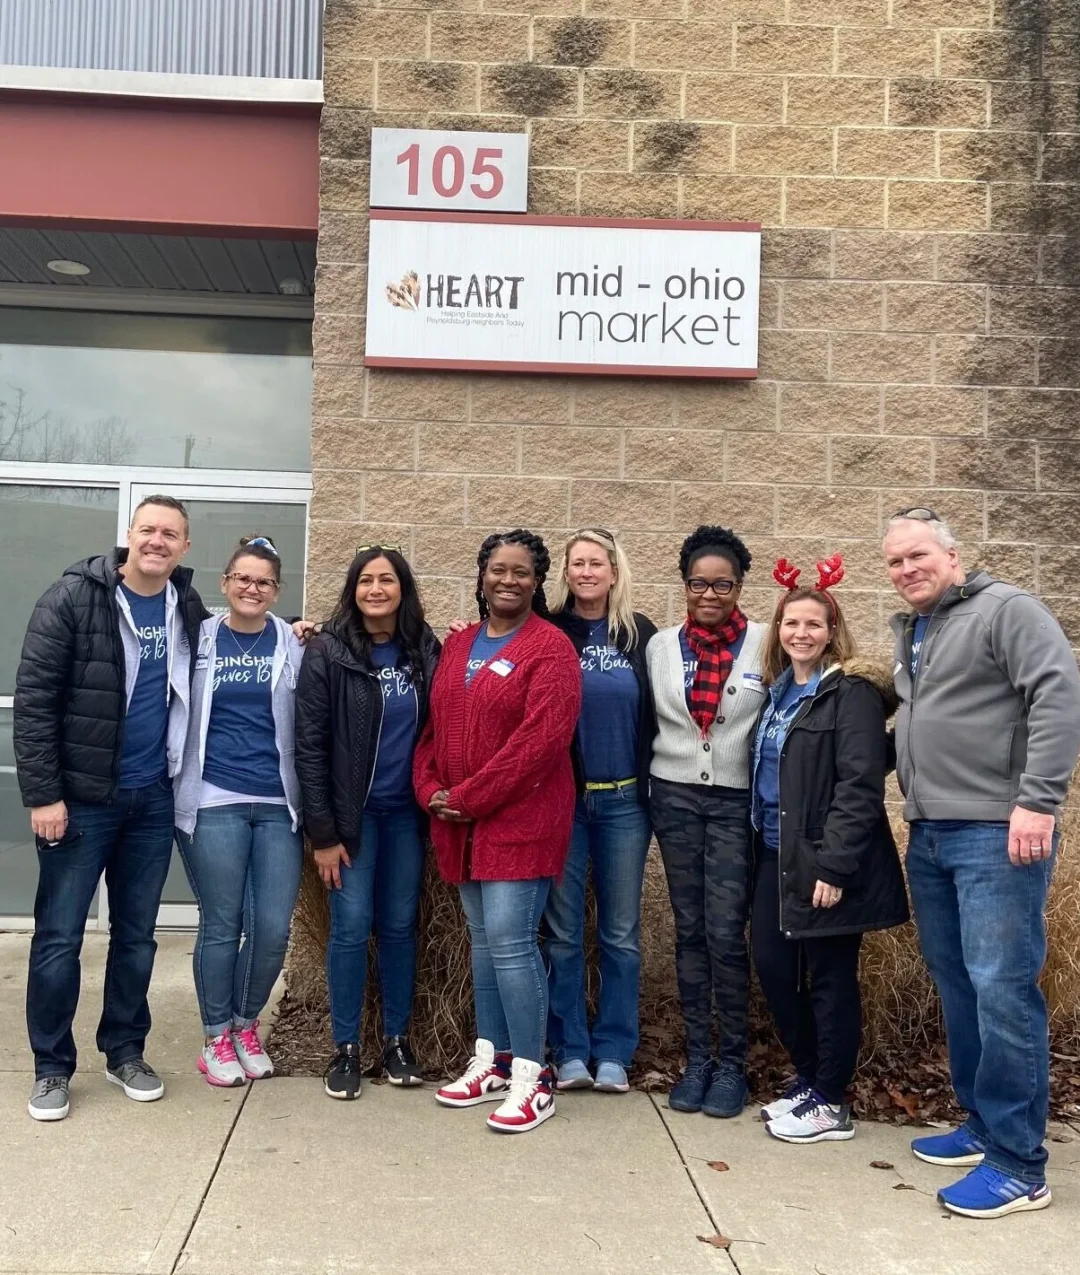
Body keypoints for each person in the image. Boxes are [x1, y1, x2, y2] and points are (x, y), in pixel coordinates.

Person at [883, 507, 1080, 1218]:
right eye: (895, 561)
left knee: (1002, 988)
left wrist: (1037, 800)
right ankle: (982, 1124)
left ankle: (1020, 1164)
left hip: (997, 832)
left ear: (952, 554)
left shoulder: (1007, 610)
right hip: (932, 831)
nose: (907, 569)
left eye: (918, 555)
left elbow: (1057, 694)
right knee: (960, 981)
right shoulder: (916, 628)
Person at [14, 495, 206, 1121]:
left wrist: (296, 629)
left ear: (185, 546)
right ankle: (51, 1067)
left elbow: (235, 641)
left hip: (151, 801)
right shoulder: (73, 597)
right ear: (129, 534)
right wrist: (44, 794)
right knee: (59, 939)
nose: (157, 541)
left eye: (170, 534)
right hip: (81, 802)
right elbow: (35, 700)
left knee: (137, 939)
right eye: (148, 529)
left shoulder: (186, 606)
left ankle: (125, 1050)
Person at [414, 529, 582, 1134]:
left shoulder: (551, 649)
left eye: (521, 572)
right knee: (484, 945)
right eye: (498, 569)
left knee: (512, 944)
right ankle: (493, 1060)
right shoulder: (460, 644)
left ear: (538, 583)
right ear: (482, 576)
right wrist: (429, 787)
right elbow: (433, 729)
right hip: (460, 826)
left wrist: (470, 797)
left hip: (521, 822)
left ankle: (534, 1079)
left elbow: (542, 742)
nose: (508, 580)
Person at [750, 556, 908, 1144]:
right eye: (791, 623)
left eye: (813, 624)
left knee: (829, 976)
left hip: (825, 859)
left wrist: (836, 864)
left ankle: (831, 1101)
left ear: (832, 630)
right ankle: (812, 1079)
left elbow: (859, 785)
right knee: (772, 965)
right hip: (775, 853)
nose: (801, 633)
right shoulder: (777, 693)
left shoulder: (851, 693)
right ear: (779, 629)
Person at [295, 545, 440, 1100]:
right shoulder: (328, 651)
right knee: (352, 927)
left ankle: (398, 1042)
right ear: (353, 590)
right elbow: (309, 746)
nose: (376, 589)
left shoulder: (424, 650)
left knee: (400, 926)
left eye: (387, 580)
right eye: (365, 581)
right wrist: (323, 834)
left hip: (405, 816)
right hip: (350, 821)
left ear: (403, 589)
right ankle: (347, 1047)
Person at [173, 536, 304, 1087]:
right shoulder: (196, 638)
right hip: (213, 800)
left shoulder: (292, 642)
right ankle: (215, 1037)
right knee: (223, 924)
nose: (253, 588)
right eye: (243, 578)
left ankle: (245, 1024)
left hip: (278, 803)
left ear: (277, 591)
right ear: (225, 583)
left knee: (272, 929)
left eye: (264, 581)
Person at [647, 525, 765, 1119]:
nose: (710, 594)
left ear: (740, 587)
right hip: (674, 799)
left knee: (725, 932)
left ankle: (732, 1065)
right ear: (685, 586)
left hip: (734, 804)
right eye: (699, 584)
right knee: (689, 929)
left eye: (723, 585)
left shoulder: (765, 643)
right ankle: (698, 1059)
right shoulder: (660, 647)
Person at [542, 528, 656, 1095]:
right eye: (577, 563)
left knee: (620, 934)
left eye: (596, 563)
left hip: (625, 803)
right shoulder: (549, 631)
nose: (586, 572)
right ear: (565, 573)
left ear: (614, 572)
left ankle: (614, 1050)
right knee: (563, 933)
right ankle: (569, 1050)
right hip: (565, 801)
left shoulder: (639, 635)